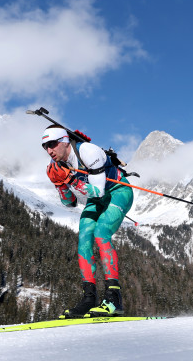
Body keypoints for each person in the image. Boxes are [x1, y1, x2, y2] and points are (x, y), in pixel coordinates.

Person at [42, 124, 134, 318]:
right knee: (84, 239)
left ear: (65, 142)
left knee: (101, 232)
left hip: (118, 192)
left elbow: (99, 191)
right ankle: (88, 299)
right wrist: (60, 183)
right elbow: (70, 203)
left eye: (52, 144)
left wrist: (71, 180)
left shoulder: (87, 151)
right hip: (96, 199)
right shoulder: (56, 165)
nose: (49, 150)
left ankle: (114, 299)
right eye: (45, 147)